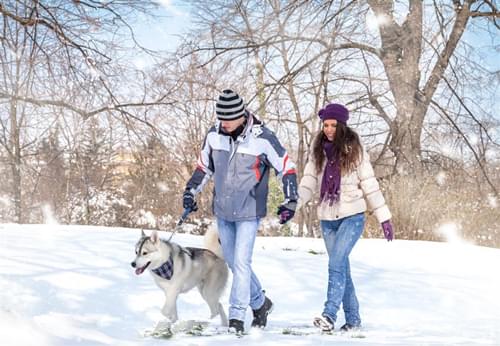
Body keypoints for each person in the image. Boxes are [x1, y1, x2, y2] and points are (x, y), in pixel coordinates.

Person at [183, 89, 298, 334]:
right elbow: (204, 168)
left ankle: (236, 317)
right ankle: (260, 303)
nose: (223, 123)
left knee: (242, 263)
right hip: (224, 210)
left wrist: (290, 200)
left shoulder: (263, 138)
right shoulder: (214, 136)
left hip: (249, 210)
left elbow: (286, 167)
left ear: (241, 116)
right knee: (235, 263)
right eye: (220, 118)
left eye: (228, 119)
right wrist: (189, 193)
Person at [296, 103, 394, 332]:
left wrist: (384, 217)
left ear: (342, 125)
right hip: (327, 218)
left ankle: (329, 314)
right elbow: (309, 181)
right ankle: (353, 321)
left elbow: (370, 184)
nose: (329, 129)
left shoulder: (355, 150)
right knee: (342, 269)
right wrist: (294, 204)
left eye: (333, 125)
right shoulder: (318, 149)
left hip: (352, 216)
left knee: (336, 264)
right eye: (326, 125)